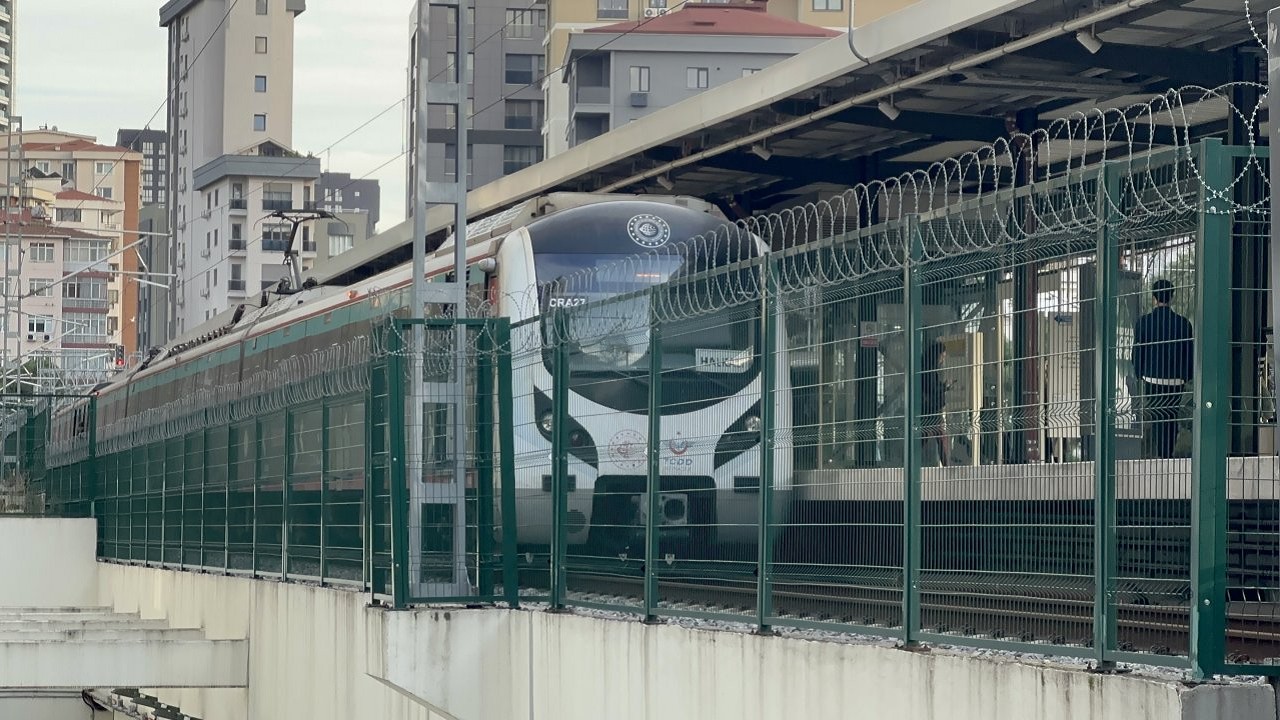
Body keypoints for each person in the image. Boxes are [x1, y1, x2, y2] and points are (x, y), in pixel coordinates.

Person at [1132, 279, 1194, 459]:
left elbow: (1137, 352)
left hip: (1152, 378)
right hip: (1175, 380)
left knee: (1157, 416)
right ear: (1172, 297)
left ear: (1154, 297)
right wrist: (1185, 376)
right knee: (1172, 415)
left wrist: (1140, 373)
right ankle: (1168, 451)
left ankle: (1161, 454)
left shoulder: (1143, 322)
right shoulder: (1183, 324)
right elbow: (1188, 353)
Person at [920, 340, 950, 466]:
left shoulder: (927, 368)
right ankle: (947, 467)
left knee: (927, 436)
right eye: (942, 355)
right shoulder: (929, 370)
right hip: (931, 409)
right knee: (940, 437)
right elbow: (931, 389)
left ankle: (910, 462)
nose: (943, 359)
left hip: (929, 409)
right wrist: (945, 386)